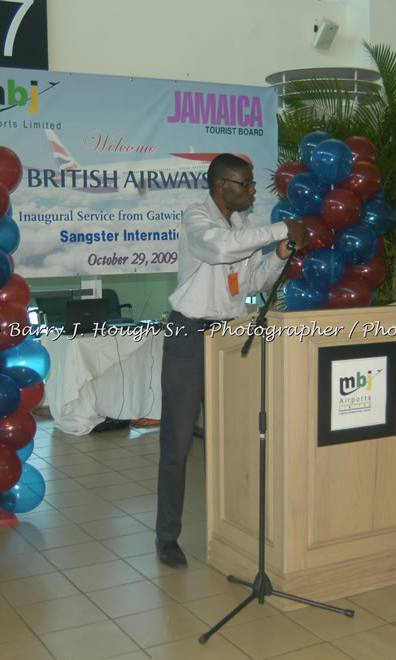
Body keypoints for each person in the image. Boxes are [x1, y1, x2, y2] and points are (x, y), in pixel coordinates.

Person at [155, 153, 309, 568]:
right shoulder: (195, 218)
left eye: (252, 184)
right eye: (246, 184)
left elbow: (252, 283)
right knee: (179, 442)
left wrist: (279, 252)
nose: (252, 191)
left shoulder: (242, 227)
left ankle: (237, 529)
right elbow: (221, 251)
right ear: (222, 186)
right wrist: (280, 227)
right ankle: (167, 536)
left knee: (237, 437)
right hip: (188, 335)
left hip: (228, 335)